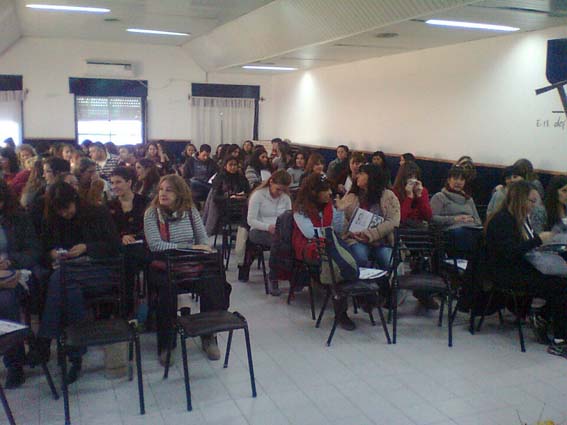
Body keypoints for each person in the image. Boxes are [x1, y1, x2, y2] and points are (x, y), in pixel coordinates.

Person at [35, 182, 121, 383]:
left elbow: (115, 247)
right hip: (70, 274)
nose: (65, 214)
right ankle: (75, 355)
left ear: (75, 200)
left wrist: (87, 247)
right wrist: (52, 253)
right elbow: (43, 248)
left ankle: (46, 340)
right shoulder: (53, 219)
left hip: (100, 271)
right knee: (68, 290)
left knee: (60, 280)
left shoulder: (97, 213)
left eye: (67, 208)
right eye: (60, 211)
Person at [144, 175, 224, 362]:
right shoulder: (152, 213)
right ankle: (167, 344)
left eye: (169, 190)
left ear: (180, 193)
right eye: (161, 189)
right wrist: (189, 248)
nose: (163, 193)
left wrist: (197, 249)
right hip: (164, 264)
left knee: (213, 282)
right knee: (167, 292)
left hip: (190, 262)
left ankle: (208, 335)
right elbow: (156, 245)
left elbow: (203, 240)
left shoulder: (189, 210)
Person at [486, 180, 567, 357]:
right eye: (531, 201)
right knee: (560, 286)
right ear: (519, 200)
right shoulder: (502, 220)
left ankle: (543, 317)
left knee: (561, 281)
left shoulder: (519, 219)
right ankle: (559, 340)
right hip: (505, 274)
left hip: (518, 268)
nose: (533, 205)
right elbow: (508, 253)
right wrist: (538, 240)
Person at [292, 174, 355, 329]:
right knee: (335, 265)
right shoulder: (301, 210)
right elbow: (310, 233)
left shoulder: (329, 207)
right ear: (314, 192)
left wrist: (339, 211)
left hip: (329, 242)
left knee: (351, 256)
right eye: (325, 190)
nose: (330, 193)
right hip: (310, 247)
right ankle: (342, 313)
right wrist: (329, 232)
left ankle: (361, 295)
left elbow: (339, 230)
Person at [0, 180, 41, 388]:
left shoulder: (19, 219)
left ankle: (14, 364)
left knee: (5, 302)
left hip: (12, 274)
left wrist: (10, 261)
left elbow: (34, 251)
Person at [337, 164, 400, 270]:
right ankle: (364, 285)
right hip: (356, 239)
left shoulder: (388, 196)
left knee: (388, 261)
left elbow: (392, 222)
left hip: (382, 240)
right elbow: (343, 222)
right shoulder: (351, 195)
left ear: (372, 177)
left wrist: (370, 234)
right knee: (360, 257)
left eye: (361, 174)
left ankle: (386, 285)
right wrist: (340, 210)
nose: (357, 176)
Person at [108, 167, 148, 313]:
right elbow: (109, 231)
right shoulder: (110, 205)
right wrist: (121, 237)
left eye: (118, 182)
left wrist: (135, 237)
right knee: (126, 259)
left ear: (129, 182)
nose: (114, 186)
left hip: (142, 244)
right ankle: (126, 308)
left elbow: (150, 227)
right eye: (112, 183)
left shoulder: (144, 202)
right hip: (120, 247)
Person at [245, 170, 292, 295]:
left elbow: (289, 217)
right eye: (278, 189)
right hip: (258, 230)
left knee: (291, 242)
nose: (280, 193)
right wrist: (267, 227)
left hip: (279, 231)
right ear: (271, 182)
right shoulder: (258, 195)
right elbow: (251, 220)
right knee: (277, 243)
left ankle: (292, 275)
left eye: (283, 190)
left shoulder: (286, 198)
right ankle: (273, 277)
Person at [203, 157, 250, 236]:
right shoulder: (220, 177)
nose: (233, 167)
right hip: (224, 207)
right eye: (230, 165)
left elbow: (248, 192)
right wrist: (228, 197)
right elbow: (215, 197)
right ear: (225, 166)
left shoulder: (241, 178)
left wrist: (242, 196)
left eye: (235, 165)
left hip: (240, 206)